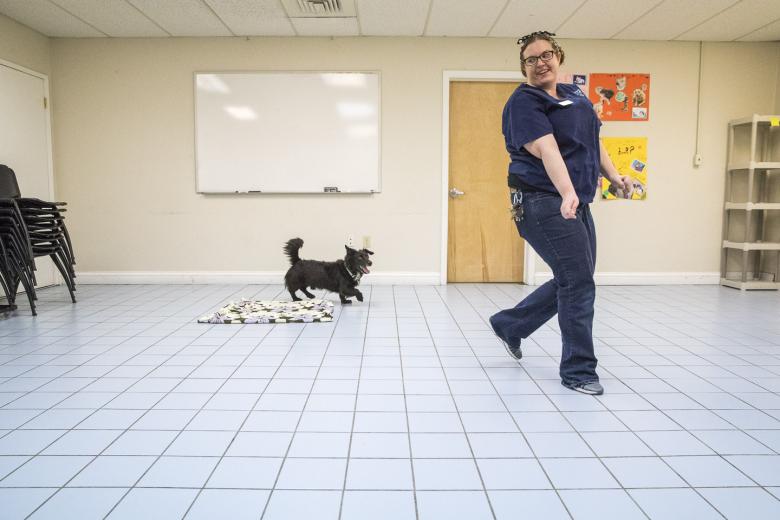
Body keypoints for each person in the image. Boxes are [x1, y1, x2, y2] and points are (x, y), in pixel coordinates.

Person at [489, 31, 633, 395]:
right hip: (541, 201)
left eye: (546, 55)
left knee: (574, 278)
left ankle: (511, 325)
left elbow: (592, 141)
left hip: (575, 202)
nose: (540, 63)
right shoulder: (524, 102)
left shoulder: (575, 95)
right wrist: (567, 192)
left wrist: (614, 178)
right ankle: (579, 371)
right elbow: (546, 148)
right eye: (531, 59)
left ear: (558, 56)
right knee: (578, 282)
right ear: (523, 67)